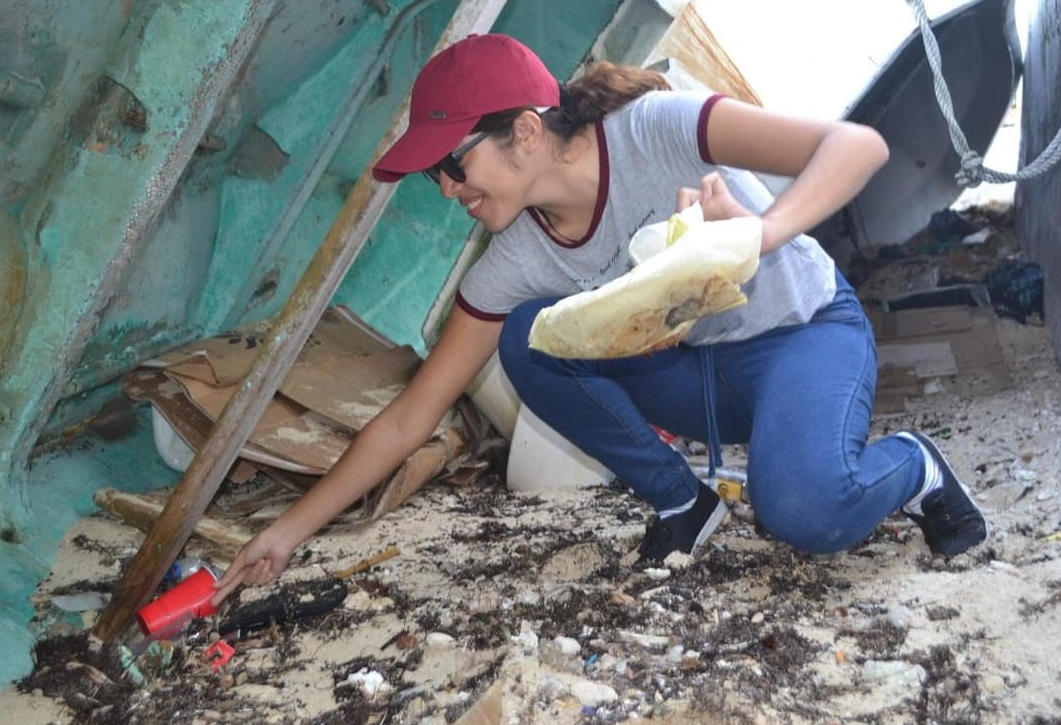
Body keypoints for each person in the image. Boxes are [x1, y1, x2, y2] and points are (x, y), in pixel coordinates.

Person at [211, 33, 986, 604]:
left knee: (809, 511)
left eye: (453, 164)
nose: (446, 188)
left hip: (804, 336)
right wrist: (285, 533)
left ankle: (914, 466)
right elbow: (412, 415)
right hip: (694, 379)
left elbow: (858, 145)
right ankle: (683, 501)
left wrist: (752, 233)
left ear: (521, 131)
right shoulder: (515, 261)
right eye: (433, 177)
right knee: (527, 340)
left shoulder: (656, 129)